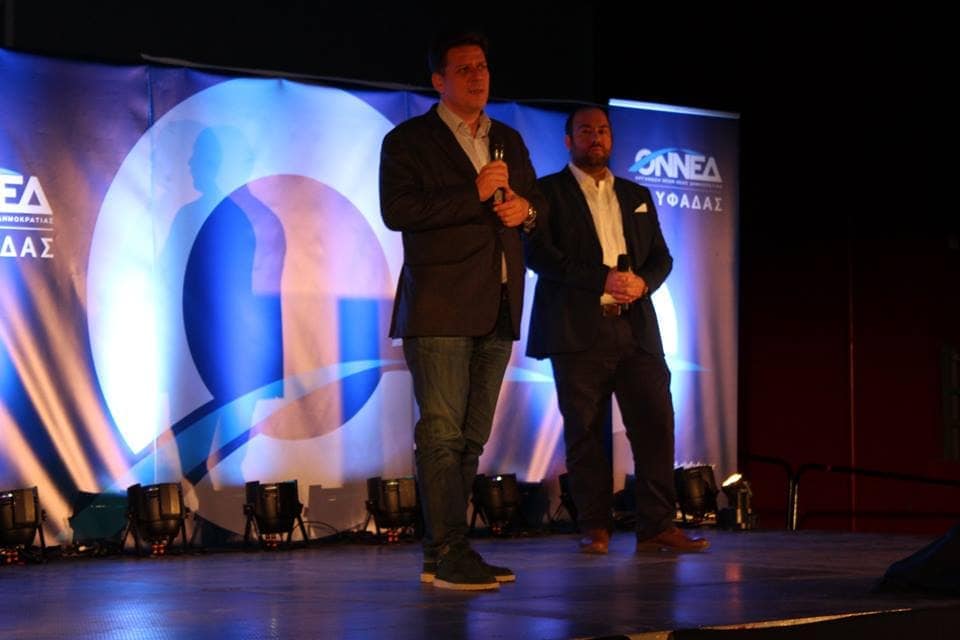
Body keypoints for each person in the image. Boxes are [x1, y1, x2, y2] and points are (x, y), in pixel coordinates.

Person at [379, 30, 543, 590]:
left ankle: (443, 553)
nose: (478, 76)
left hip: (499, 303)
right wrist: (472, 193)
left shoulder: (508, 139)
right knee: (442, 436)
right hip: (441, 308)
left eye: (483, 66)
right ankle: (450, 550)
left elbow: (535, 208)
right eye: (464, 68)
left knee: (472, 438)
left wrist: (525, 212)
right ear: (438, 81)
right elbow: (398, 210)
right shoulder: (409, 140)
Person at [525, 106, 708, 555]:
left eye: (603, 130)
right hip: (577, 331)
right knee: (585, 433)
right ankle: (594, 526)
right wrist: (601, 279)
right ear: (568, 140)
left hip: (636, 330)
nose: (596, 137)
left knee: (655, 425)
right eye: (585, 130)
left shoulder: (635, 194)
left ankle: (657, 525)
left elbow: (662, 257)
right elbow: (538, 256)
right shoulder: (546, 192)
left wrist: (643, 283)